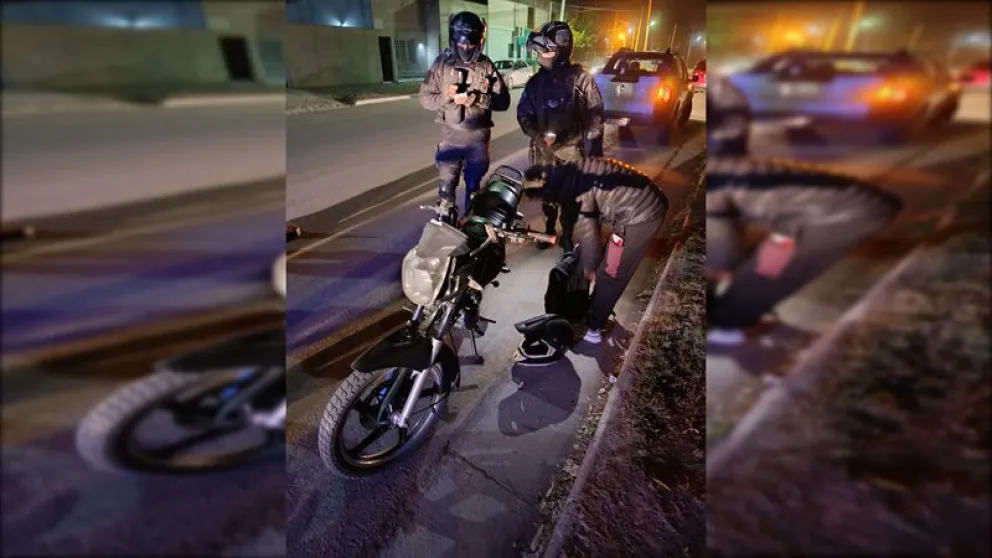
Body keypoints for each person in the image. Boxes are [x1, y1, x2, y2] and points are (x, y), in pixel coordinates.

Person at [705, 86, 904, 344]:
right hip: (799, 216)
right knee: (766, 266)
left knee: (760, 280)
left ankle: (733, 324)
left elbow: (723, 250)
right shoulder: (721, 169)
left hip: (842, 213)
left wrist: (720, 268)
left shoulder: (714, 183)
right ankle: (736, 317)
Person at [522, 157, 668, 344]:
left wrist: (590, 268)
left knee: (611, 272)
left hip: (642, 214)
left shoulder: (575, 194)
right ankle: (588, 308)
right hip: (634, 200)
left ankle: (594, 328)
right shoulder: (570, 170)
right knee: (587, 257)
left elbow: (589, 233)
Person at [518, 21, 605, 250]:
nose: (541, 56)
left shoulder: (581, 79)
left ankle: (567, 234)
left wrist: (586, 148)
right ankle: (549, 228)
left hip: (572, 150)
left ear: (561, 50)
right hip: (543, 149)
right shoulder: (536, 82)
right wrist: (537, 135)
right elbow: (523, 114)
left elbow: (596, 118)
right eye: (539, 52)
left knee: (570, 195)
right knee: (546, 192)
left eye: (546, 51)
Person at [419, 11, 511, 217]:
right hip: (450, 140)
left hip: (477, 142)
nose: (466, 48)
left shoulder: (486, 66)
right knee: (445, 196)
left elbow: (503, 101)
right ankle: (446, 225)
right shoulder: (441, 64)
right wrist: (446, 96)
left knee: (474, 195)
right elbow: (425, 99)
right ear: (453, 40)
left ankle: (471, 229)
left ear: (479, 41)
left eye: (471, 44)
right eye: (462, 44)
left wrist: (478, 99)